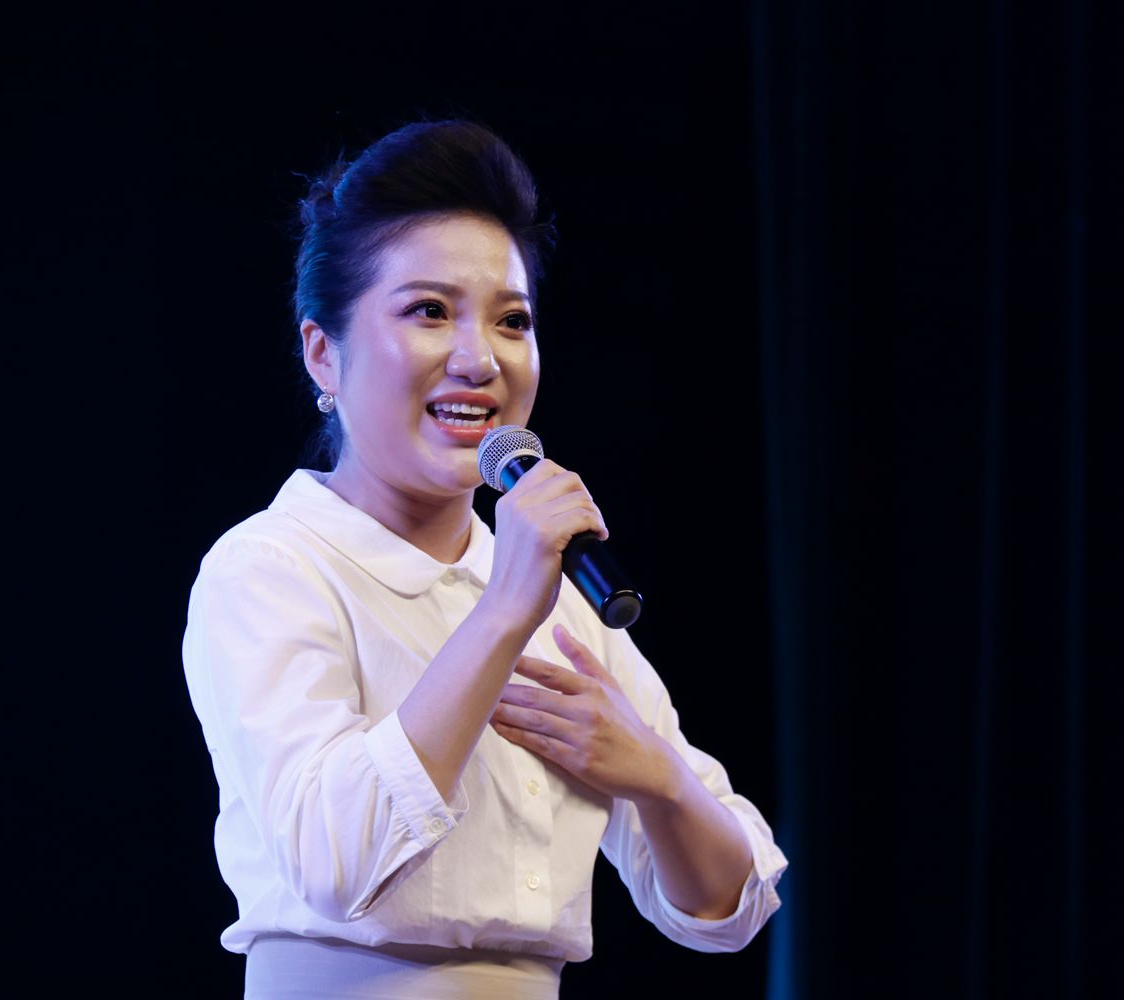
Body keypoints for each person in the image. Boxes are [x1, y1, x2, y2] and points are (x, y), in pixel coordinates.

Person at [182, 120, 787, 999]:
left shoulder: (559, 596)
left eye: (511, 321)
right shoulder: (272, 567)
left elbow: (729, 911)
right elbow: (333, 863)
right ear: (323, 353)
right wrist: (502, 613)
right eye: (429, 311)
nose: (479, 359)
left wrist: (657, 778)